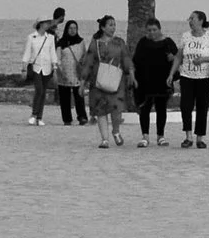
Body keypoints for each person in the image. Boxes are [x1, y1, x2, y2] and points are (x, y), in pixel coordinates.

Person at [176, 11, 209, 149]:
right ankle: (188, 136)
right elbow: (179, 56)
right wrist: (171, 73)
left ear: (201, 20)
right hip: (187, 76)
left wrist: (204, 59)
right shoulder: (185, 36)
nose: (190, 21)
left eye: (193, 18)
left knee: (202, 107)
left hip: (203, 78)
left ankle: (200, 138)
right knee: (185, 106)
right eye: (189, 18)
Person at [81, 15, 129, 148]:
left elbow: (126, 59)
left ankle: (116, 131)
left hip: (116, 81)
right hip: (98, 81)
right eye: (110, 25)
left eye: (114, 25)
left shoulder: (119, 42)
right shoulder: (95, 43)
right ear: (103, 27)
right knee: (100, 110)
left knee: (116, 110)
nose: (113, 27)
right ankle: (105, 139)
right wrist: (83, 81)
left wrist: (131, 74)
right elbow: (88, 62)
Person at [130, 18, 179, 147]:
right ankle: (145, 136)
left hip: (162, 81)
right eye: (149, 30)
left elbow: (178, 59)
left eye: (154, 30)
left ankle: (160, 136)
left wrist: (173, 58)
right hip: (144, 81)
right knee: (144, 108)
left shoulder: (168, 42)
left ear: (159, 29)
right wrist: (133, 78)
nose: (152, 32)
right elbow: (135, 61)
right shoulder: (143, 42)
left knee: (161, 109)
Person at [22, 19, 59, 126]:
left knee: (43, 92)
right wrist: (24, 68)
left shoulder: (50, 38)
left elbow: (52, 53)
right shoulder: (31, 37)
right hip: (36, 67)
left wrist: (55, 67)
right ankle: (33, 114)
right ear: (41, 24)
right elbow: (27, 53)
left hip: (47, 68)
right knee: (39, 89)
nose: (48, 25)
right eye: (46, 23)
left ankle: (39, 117)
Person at [53, 19, 89, 125]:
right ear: (66, 29)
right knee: (64, 98)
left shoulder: (81, 41)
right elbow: (57, 57)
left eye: (75, 28)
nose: (73, 30)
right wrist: (59, 69)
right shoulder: (61, 42)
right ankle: (67, 119)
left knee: (79, 96)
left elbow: (84, 55)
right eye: (70, 28)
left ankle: (82, 117)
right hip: (64, 73)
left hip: (77, 73)